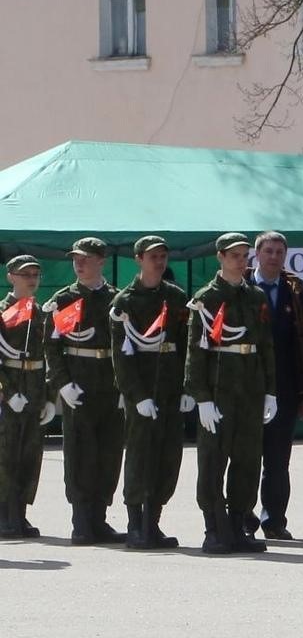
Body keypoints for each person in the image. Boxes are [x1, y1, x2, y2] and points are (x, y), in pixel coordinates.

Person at [185, 233, 277, 554]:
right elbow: (196, 353)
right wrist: (202, 397)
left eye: (244, 255)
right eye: (235, 255)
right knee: (213, 459)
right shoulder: (206, 299)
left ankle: (238, 523)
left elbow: (265, 346)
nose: (242, 261)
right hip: (219, 389)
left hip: (250, 389)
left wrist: (270, 391)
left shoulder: (255, 297)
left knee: (248, 459)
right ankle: (214, 526)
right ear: (220, 257)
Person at [110, 233, 190, 549]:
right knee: (140, 456)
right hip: (143, 391)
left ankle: (153, 521)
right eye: (152, 256)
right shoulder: (125, 302)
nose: (158, 261)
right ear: (139, 259)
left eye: (162, 256)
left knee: (168, 456)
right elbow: (121, 356)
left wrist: (188, 388)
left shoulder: (176, 297)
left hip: (171, 389)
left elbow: (186, 347)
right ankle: (134, 523)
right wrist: (137, 396)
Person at [45, 235, 125, 544]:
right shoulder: (65, 300)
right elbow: (52, 347)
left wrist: (124, 387)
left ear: (100, 261)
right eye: (76, 258)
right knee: (80, 452)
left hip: (110, 382)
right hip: (78, 380)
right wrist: (62, 384)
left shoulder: (117, 299)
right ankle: (81, 521)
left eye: (86, 258)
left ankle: (99, 519)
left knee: (109, 451)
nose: (79, 263)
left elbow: (125, 346)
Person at [248, 231, 303, 541]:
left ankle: (274, 520)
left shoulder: (296, 293)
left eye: (279, 251)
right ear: (257, 254)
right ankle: (242, 517)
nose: (274, 256)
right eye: (268, 251)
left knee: (278, 461)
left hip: (285, 390)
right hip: (247, 388)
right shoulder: (243, 287)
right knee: (246, 458)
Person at [1, 253, 50, 538]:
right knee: (5, 455)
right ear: (11, 277)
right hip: (9, 393)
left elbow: (49, 357)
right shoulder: (3, 312)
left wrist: (49, 397)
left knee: (29, 455)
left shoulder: (42, 314)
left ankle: (20, 512)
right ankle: (4, 513)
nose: (31, 280)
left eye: (35, 275)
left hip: (34, 390)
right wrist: (7, 392)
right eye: (25, 275)